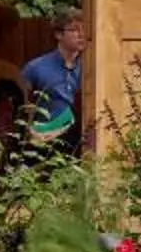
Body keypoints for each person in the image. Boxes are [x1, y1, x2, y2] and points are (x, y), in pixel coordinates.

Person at [18, 10, 88, 153]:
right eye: (75, 29)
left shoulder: (91, 70)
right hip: (44, 144)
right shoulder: (35, 68)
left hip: (80, 147)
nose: (81, 34)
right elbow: (19, 108)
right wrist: (30, 132)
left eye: (84, 29)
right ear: (58, 34)